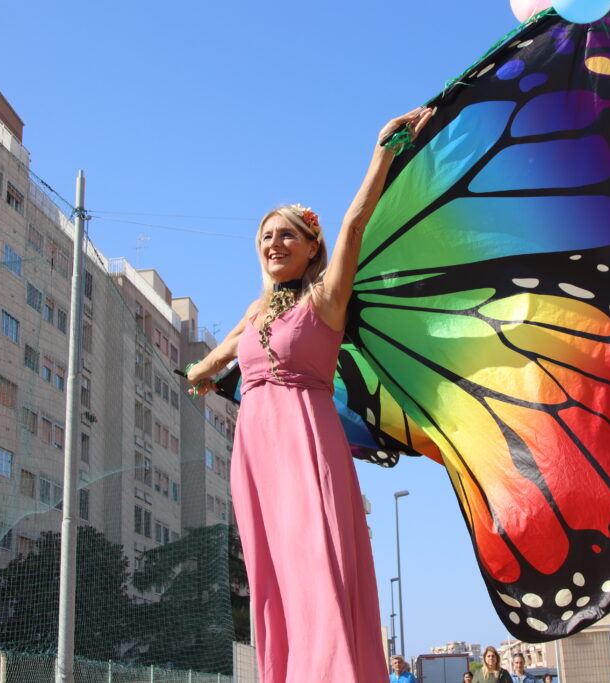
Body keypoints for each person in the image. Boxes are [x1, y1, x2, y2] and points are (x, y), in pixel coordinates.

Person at [186, 106, 433, 683]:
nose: (274, 243)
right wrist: (197, 373)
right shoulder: (255, 309)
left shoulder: (324, 299)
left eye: (286, 235)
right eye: (266, 235)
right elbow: (225, 352)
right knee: (272, 573)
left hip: (306, 439)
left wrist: (383, 151)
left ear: (309, 245)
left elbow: (353, 223)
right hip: (255, 452)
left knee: (316, 563)